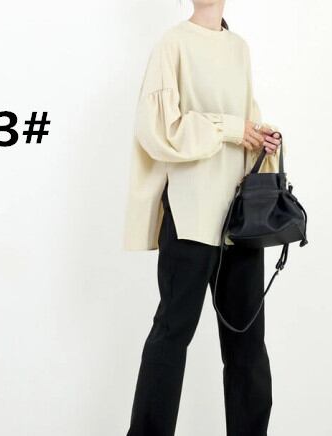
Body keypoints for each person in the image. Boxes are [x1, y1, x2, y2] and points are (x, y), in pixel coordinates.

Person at [123, 1, 283, 435]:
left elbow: (246, 124)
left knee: (247, 344)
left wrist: (263, 137)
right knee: (172, 335)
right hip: (190, 215)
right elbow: (159, 129)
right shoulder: (173, 43)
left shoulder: (239, 48)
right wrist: (231, 128)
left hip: (239, 222)